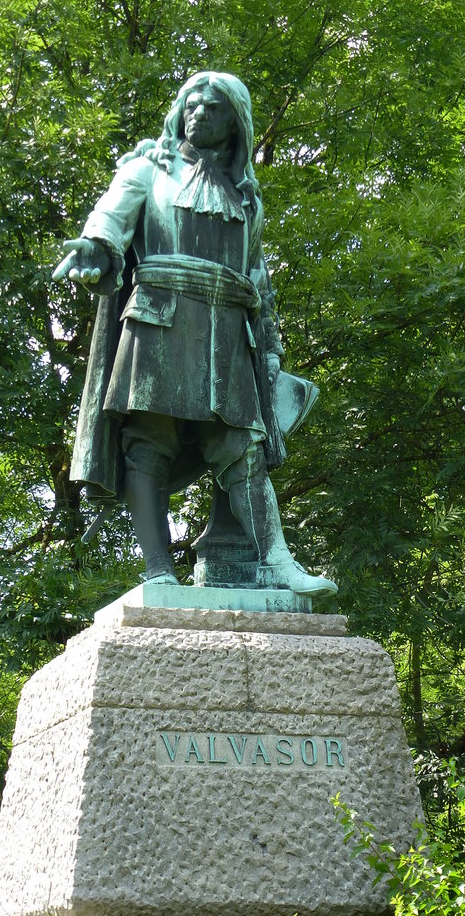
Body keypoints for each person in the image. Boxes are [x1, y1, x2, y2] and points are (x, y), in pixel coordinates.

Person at [53, 71, 335, 597]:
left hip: (226, 329)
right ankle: (159, 570)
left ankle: (277, 561)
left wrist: (270, 346)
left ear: (236, 124)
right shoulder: (146, 170)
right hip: (159, 317)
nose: (198, 113)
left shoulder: (248, 200)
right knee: (148, 443)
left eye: (213, 107)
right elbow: (107, 222)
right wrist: (94, 249)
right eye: (191, 104)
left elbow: (257, 276)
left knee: (241, 444)